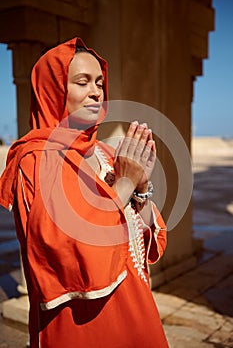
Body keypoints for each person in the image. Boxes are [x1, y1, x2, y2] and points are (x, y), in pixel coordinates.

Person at [0, 37, 169, 348]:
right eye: (82, 82)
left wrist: (141, 190)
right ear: (52, 91)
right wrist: (125, 185)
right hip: (84, 325)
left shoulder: (105, 154)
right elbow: (69, 249)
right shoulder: (36, 160)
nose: (96, 92)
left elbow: (141, 240)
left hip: (136, 310)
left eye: (100, 83)